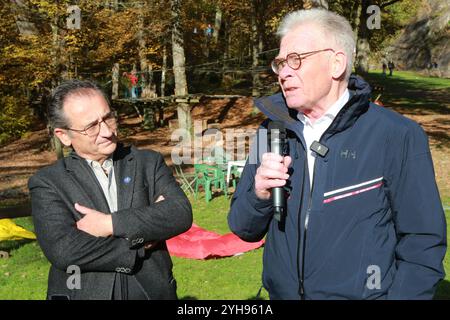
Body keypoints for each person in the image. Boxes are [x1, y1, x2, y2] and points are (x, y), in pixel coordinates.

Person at [228, 9, 446, 300]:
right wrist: (259, 195)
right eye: (280, 63)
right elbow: (243, 228)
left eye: (296, 60)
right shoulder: (271, 131)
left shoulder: (396, 135)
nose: (283, 72)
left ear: (336, 63)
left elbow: (422, 242)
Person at [28, 80, 192, 300]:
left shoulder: (147, 163)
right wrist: (140, 241)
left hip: (152, 292)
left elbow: (179, 213)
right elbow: (65, 250)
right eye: (91, 126)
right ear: (64, 135)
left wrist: (109, 224)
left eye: (108, 118)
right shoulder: (48, 182)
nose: (106, 131)